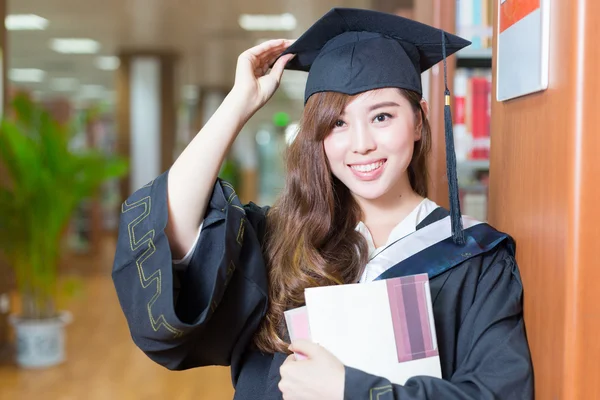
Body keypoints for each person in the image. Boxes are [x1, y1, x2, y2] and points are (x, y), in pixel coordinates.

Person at [112, 7, 534, 400]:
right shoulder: (279, 241)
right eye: (337, 123)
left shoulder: (475, 260)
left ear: (420, 120)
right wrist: (237, 106)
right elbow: (170, 229)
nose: (362, 144)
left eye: (382, 116)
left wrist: (349, 389)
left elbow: (499, 392)